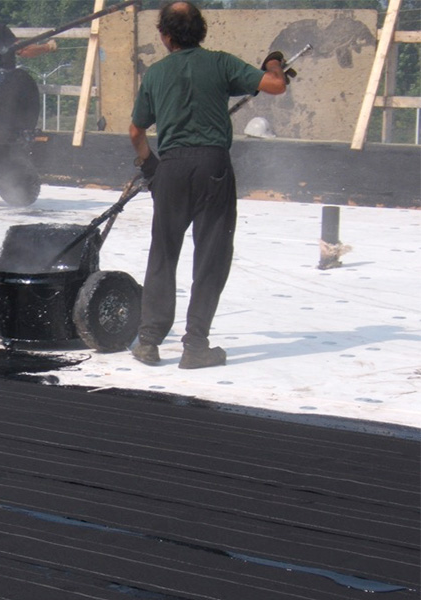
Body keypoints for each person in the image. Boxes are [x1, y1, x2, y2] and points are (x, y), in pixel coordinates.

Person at [128, 1, 288, 369]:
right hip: (212, 166)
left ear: (166, 37)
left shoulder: (155, 75)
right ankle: (195, 345)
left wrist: (149, 165)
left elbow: (137, 130)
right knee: (211, 254)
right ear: (201, 31)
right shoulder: (220, 63)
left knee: (164, 253)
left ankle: (149, 341)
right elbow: (276, 85)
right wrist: (274, 62)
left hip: (170, 168)